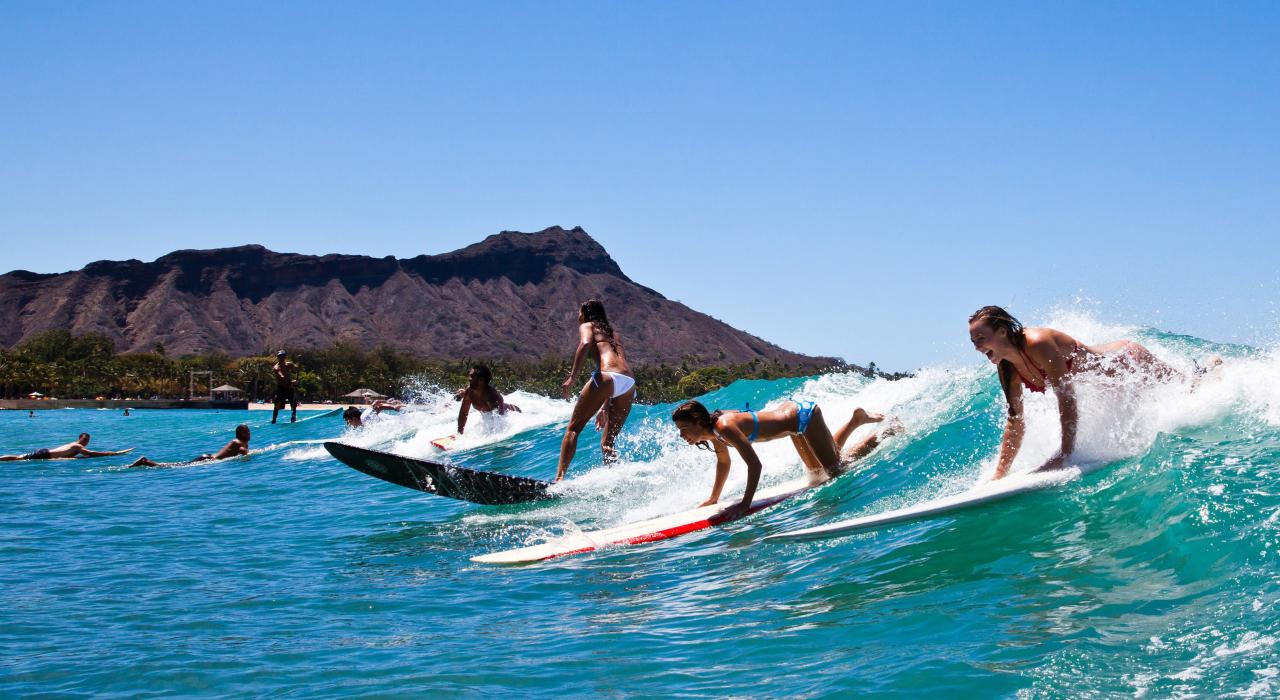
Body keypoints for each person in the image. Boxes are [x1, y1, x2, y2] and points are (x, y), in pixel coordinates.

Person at [968, 305, 1183, 480]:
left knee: (1185, 385)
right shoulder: (1007, 368)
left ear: (1003, 332)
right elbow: (1015, 420)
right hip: (1113, 386)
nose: (977, 347)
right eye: (973, 341)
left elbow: (1066, 398)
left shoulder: (1038, 343)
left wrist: (1065, 454)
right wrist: (999, 474)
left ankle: (1210, 370)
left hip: (1128, 362)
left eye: (981, 338)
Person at [672, 400, 894, 513]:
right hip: (792, 426)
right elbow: (723, 462)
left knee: (835, 470)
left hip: (803, 416)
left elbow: (755, 465)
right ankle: (855, 420)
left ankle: (885, 432)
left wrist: (745, 504)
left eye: (684, 428)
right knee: (817, 473)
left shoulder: (724, 427)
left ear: (698, 421)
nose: (682, 435)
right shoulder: (714, 433)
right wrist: (714, 498)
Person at [555, 299, 635, 481]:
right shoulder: (614, 334)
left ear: (584, 313)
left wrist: (572, 378)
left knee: (573, 429)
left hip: (607, 376)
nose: (578, 316)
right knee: (608, 441)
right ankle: (613, 479)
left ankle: (558, 480)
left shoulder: (587, 326)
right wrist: (605, 407)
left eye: (579, 312)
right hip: (629, 382)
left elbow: (583, 345)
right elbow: (617, 375)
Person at [129, 424, 251, 467]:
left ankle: (146, 462)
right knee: (175, 466)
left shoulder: (237, 441)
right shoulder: (239, 442)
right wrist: (248, 455)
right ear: (241, 433)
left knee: (178, 465)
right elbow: (242, 451)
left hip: (208, 458)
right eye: (247, 431)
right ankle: (146, 462)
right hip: (208, 459)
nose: (250, 433)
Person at [455, 364, 521, 434]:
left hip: (511, 412)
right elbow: (463, 413)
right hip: (490, 416)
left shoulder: (491, 396)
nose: (469, 379)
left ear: (481, 380)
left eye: (472, 377)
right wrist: (459, 433)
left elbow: (499, 420)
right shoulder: (469, 392)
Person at [1, 433, 133, 461]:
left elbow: (85, 456)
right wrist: (112, 453)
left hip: (46, 453)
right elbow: (90, 454)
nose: (85, 441)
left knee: (19, 458)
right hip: (45, 454)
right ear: (80, 439)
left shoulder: (75, 446)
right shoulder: (77, 446)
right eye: (84, 439)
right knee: (18, 458)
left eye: (87, 440)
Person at [271, 350, 299, 424]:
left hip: (289, 386)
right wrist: (282, 376)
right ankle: (274, 420)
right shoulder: (276, 367)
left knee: (293, 403)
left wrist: (297, 368)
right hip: (281, 388)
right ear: (278, 357)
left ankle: (293, 416)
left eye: (283, 356)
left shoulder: (289, 364)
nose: (281, 358)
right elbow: (278, 371)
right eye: (280, 356)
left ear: (285, 357)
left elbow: (294, 371)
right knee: (277, 405)